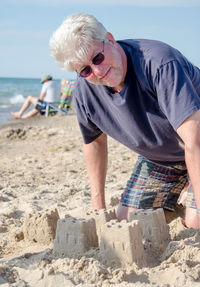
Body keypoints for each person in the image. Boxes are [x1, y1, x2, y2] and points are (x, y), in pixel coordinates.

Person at [49, 13, 200, 229]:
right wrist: (97, 203)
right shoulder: (85, 92)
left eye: (97, 58)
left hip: (197, 145)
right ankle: (179, 196)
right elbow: (94, 142)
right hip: (164, 160)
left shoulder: (159, 63)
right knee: (127, 222)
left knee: (196, 224)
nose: (97, 71)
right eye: (85, 70)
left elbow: (195, 141)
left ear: (110, 39)